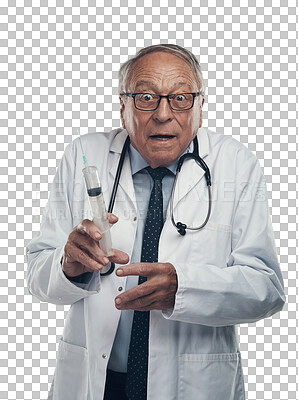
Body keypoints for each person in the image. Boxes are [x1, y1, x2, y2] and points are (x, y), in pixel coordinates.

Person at [26, 44, 286, 400]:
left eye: (180, 98)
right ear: (123, 106)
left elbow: (266, 289)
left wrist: (184, 287)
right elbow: (37, 276)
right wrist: (68, 266)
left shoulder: (236, 164)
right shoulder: (83, 155)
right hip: (95, 383)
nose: (163, 113)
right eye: (146, 97)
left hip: (194, 386)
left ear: (200, 108)